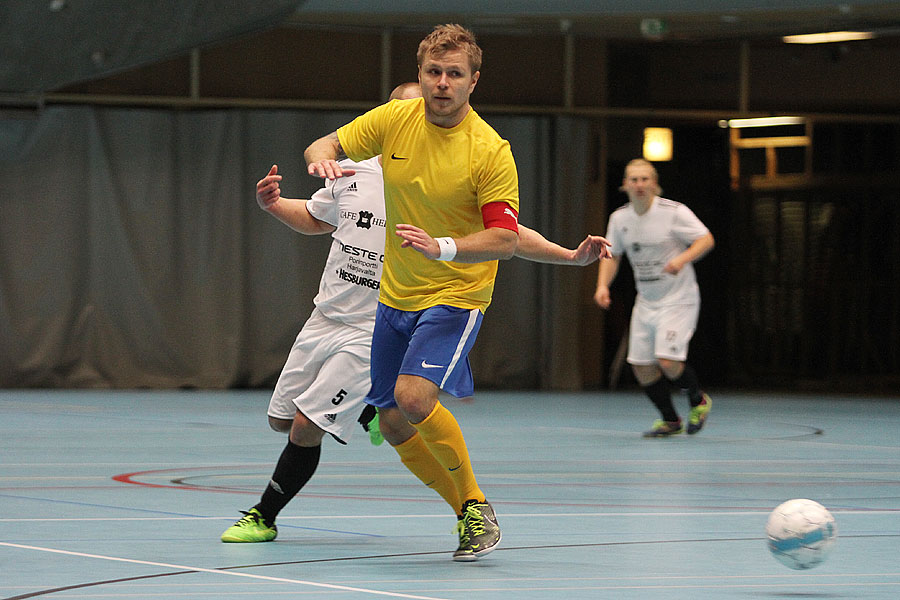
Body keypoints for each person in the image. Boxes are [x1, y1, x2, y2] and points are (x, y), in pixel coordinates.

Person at [222, 76, 610, 559]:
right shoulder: (355, 173)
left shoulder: (449, 175)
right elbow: (317, 216)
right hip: (328, 317)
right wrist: (275, 204)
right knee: (300, 422)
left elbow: (508, 234)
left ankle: (266, 514)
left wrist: (568, 256)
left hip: (379, 323)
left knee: (318, 422)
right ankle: (377, 415)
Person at [593, 158, 715, 438]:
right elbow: (613, 256)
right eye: (633, 180)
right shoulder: (620, 218)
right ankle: (671, 420)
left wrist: (681, 260)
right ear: (624, 185)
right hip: (646, 301)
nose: (639, 185)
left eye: (645, 179)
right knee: (641, 367)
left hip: (678, 298)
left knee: (668, 361)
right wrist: (602, 287)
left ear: (655, 184)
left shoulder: (674, 212)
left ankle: (699, 400)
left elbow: (706, 239)